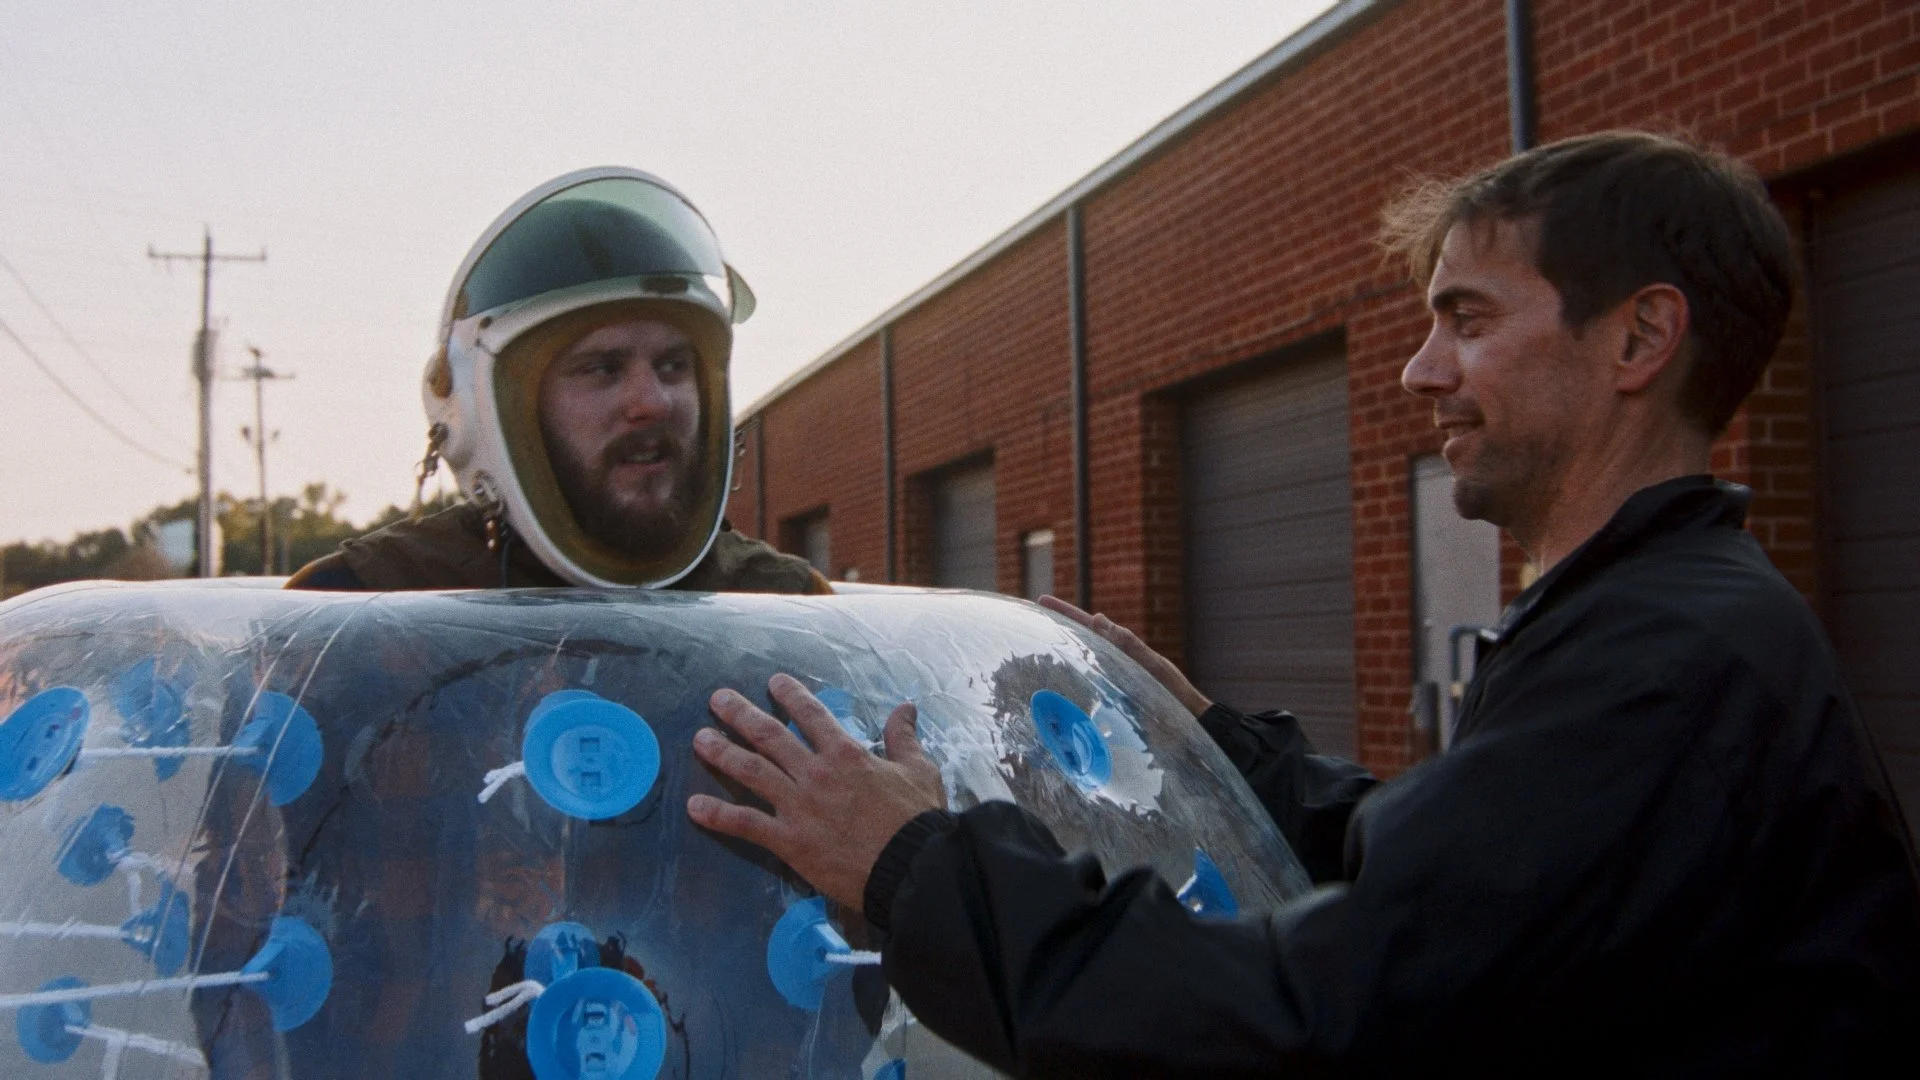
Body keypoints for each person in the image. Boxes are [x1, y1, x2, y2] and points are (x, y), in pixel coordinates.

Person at [683, 131, 1920, 1074]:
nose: (1418, 370)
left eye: (1468, 321)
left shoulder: (1665, 662)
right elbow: (1475, 881)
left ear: (1641, 340)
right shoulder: (1658, 620)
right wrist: (1227, 751)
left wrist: (914, 867)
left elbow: (1309, 1019)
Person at [288, 166, 827, 595]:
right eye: (601, 368)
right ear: (490, 413)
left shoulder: (789, 606)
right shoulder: (362, 605)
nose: (652, 403)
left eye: (674, 366)